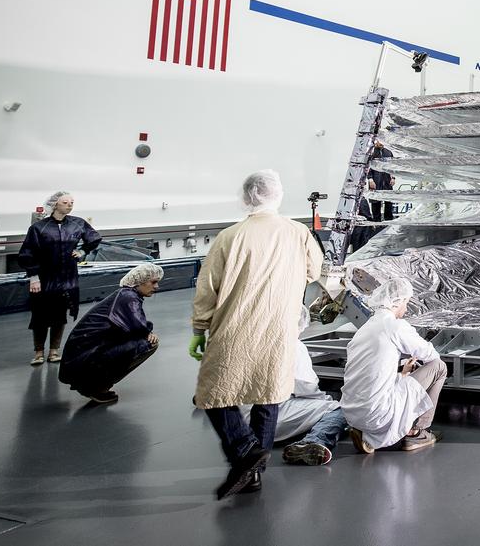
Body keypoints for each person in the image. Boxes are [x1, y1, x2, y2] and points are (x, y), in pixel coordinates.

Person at [190, 170, 324, 500]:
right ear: (278, 195)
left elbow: (208, 287)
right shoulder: (298, 233)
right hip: (279, 326)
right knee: (268, 393)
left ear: (246, 196)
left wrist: (199, 328)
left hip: (235, 325)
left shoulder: (230, 237)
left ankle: (245, 453)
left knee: (214, 392)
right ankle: (252, 465)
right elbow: (314, 271)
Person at [341, 277, 446, 454]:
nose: (406, 308)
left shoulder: (363, 330)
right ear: (398, 301)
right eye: (406, 302)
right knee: (439, 367)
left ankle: (368, 434)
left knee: (397, 383)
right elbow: (431, 354)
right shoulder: (395, 326)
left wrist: (403, 374)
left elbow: (374, 374)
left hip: (352, 413)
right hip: (378, 414)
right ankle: (417, 432)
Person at [237, 309, 348, 477]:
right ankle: (313, 441)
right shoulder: (294, 346)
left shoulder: (252, 339)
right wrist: (327, 400)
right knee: (339, 410)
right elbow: (307, 388)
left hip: (243, 417)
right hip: (270, 419)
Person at [57, 263, 162, 404]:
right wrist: (148, 332)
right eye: (153, 282)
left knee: (142, 340)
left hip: (82, 354)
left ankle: (95, 384)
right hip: (86, 356)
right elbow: (137, 325)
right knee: (148, 344)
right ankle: (94, 386)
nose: (156, 286)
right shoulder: (129, 297)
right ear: (140, 281)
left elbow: (133, 324)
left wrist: (146, 331)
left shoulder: (125, 294)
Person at [18, 191, 102, 366]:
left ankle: (54, 351)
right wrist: (33, 277)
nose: (70, 205)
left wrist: (82, 251)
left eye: (72, 202)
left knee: (59, 315)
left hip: (67, 278)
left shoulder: (77, 223)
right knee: (40, 316)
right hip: (44, 278)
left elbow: (94, 238)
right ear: (54, 204)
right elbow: (27, 253)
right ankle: (39, 352)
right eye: (65, 202)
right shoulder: (39, 228)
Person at [367, 139, 395, 221]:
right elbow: (367, 167)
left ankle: (389, 220)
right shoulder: (371, 152)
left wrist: (393, 177)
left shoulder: (388, 152)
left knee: (388, 201)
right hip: (375, 180)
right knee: (375, 202)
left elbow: (393, 166)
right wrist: (370, 179)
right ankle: (376, 221)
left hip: (387, 180)